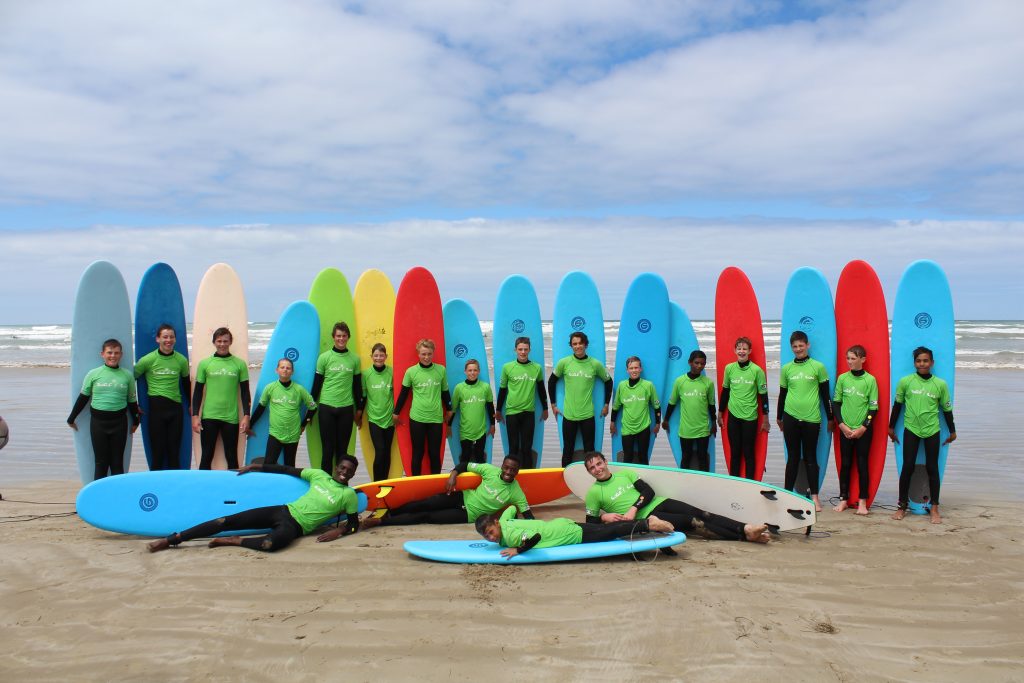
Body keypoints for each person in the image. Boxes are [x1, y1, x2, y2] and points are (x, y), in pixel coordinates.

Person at [147, 456, 361, 552]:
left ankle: (235, 541)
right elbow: (285, 470)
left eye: (349, 471)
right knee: (224, 520)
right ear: (336, 467)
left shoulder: (348, 495)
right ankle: (173, 539)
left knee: (268, 545)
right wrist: (256, 466)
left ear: (352, 474)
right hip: (282, 510)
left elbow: (353, 524)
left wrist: (338, 532)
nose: (344, 473)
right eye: (342, 468)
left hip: (296, 527)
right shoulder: (318, 475)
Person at [582, 451, 771, 543]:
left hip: (659, 502)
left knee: (703, 513)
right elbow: (590, 523)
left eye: (599, 464)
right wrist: (604, 517)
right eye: (592, 468)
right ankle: (746, 537)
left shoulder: (625, 474)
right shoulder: (594, 493)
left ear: (605, 462)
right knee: (694, 522)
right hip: (648, 518)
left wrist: (633, 508)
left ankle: (746, 527)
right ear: (589, 472)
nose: (597, 469)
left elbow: (648, 492)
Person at [360, 456, 534, 528]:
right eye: (507, 467)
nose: (509, 472)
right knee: (425, 503)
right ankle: (390, 511)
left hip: (467, 515)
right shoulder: (489, 470)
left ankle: (382, 522)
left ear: (517, 471)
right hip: (461, 496)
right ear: (502, 465)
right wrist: (453, 474)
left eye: (513, 470)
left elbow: (528, 515)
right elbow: (465, 464)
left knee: (426, 516)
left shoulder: (516, 492)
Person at [888, 346, 956, 524]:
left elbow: (947, 410)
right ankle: (902, 506)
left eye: (925, 360)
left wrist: (953, 430)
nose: (922, 364)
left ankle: (934, 508)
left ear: (932, 363)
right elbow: (897, 406)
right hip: (911, 429)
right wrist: (890, 427)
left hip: (932, 430)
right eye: (919, 361)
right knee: (907, 467)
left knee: (932, 468)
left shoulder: (940, 384)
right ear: (914, 363)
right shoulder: (906, 381)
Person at [475, 504, 674, 559]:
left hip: (567, 535)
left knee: (610, 532)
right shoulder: (503, 520)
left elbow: (533, 538)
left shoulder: (510, 536)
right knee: (606, 529)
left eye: (491, 532)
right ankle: (646, 526)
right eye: (487, 536)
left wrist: (516, 550)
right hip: (560, 523)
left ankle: (648, 524)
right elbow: (511, 508)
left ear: (496, 523)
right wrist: (523, 519)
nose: (491, 538)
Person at [776, 330, 834, 512]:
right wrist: (779, 417)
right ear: (791, 348)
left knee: (810, 458)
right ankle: (786, 495)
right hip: (790, 417)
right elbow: (782, 394)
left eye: (801, 345)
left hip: (812, 419)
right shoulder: (787, 369)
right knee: (792, 458)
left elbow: (826, 396)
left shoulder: (818, 367)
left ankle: (815, 497)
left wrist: (831, 418)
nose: (798, 349)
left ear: (807, 345)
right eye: (795, 346)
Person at [67, 338, 140, 480]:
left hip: (119, 423)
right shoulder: (93, 374)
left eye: (116, 353)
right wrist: (71, 418)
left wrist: (136, 421)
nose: (113, 356)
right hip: (98, 423)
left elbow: (132, 400)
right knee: (101, 463)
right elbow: (83, 398)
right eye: (109, 352)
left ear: (121, 355)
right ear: (102, 354)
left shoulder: (127, 375)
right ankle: (98, 498)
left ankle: (117, 496)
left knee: (117, 463)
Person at [548, 332, 613, 467]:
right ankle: (564, 480)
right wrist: (553, 404)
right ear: (571, 346)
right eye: (574, 344)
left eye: (580, 343)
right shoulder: (564, 363)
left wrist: (606, 404)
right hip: (569, 415)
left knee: (590, 451)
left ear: (585, 344)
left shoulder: (595, 364)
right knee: (567, 450)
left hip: (587, 415)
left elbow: (608, 381)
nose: (577, 346)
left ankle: (589, 479)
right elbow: (551, 381)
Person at [134, 324, 191, 470]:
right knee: (157, 454)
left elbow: (186, 384)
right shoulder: (147, 360)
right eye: (165, 337)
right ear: (158, 339)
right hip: (156, 411)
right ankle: (155, 488)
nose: (169, 340)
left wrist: (191, 405)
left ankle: (174, 488)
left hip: (175, 411)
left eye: (172, 337)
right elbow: (129, 380)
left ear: (175, 339)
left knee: (174, 453)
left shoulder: (181, 360)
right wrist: (134, 404)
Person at [192, 327, 251, 470]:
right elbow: (198, 392)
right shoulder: (205, 364)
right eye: (219, 341)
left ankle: (232, 489)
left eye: (225, 341)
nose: (222, 344)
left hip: (231, 417)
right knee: (206, 456)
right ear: (214, 342)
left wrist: (246, 415)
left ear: (230, 342)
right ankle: (204, 487)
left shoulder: (239, 364)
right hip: (209, 416)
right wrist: (195, 416)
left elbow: (245, 392)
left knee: (231, 457)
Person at [311, 322, 364, 474]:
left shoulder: (354, 359)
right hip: (326, 407)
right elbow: (316, 386)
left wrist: (360, 410)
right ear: (333, 337)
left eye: (344, 336)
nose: (341, 339)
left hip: (346, 409)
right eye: (338, 336)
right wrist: (310, 412)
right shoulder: (324, 358)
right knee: (327, 450)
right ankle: (325, 484)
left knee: (342, 451)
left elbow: (357, 387)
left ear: (348, 337)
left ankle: (341, 484)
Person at [832, 345, 878, 515]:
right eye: (848, 358)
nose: (849, 361)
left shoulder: (870, 380)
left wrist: (864, 427)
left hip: (863, 431)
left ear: (862, 359)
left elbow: (873, 409)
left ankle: (862, 503)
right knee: (845, 464)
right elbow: (836, 404)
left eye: (853, 358)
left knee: (862, 464)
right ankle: (844, 499)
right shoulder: (843, 379)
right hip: (845, 429)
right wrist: (842, 425)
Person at [393, 339, 451, 476]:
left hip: (436, 418)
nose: (426, 357)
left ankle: (435, 484)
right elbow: (403, 393)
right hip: (417, 418)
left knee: (434, 453)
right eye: (423, 354)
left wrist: (449, 409)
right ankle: (415, 483)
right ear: (418, 353)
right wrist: (396, 413)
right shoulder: (411, 372)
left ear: (433, 353)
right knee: (418, 452)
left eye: (429, 354)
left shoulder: (441, 370)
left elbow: (445, 392)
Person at [247, 358, 317, 468]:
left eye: (288, 368)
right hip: (275, 434)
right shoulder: (270, 388)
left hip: (293, 434)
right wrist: (250, 424)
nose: (285, 370)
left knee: (289, 466)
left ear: (292, 372)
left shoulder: (299, 389)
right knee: (268, 465)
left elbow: (313, 407)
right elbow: (261, 408)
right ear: (277, 370)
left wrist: (304, 424)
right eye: (282, 367)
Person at [718, 337, 769, 480]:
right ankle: (735, 483)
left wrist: (765, 419)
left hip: (750, 417)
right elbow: (725, 392)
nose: (741, 351)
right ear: (735, 350)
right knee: (735, 452)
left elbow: (763, 396)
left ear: (749, 351)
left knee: (748, 452)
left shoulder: (757, 371)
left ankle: (750, 484)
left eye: (744, 349)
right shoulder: (729, 369)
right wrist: (720, 413)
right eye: (739, 348)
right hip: (733, 416)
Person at [495, 336, 548, 468]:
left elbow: (541, 390)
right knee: (513, 447)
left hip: (528, 413)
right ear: (515, 350)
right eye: (520, 349)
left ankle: (528, 475)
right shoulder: (507, 368)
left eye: (525, 349)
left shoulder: (536, 368)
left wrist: (546, 408)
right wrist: (498, 410)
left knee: (526, 447)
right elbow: (502, 391)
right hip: (512, 412)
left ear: (529, 350)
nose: (523, 352)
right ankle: (511, 474)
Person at [661, 350, 716, 471]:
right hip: (686, 429)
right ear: (690, 362)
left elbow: (711, 405)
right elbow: (672, 403)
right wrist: (666, 420)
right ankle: (683, 483)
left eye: (702, 364)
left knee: (703, 457)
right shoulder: (680, 381)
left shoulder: (708, 383)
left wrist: (714, 422)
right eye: (696, 363)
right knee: (686, 457)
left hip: (703, 429)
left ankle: (704, 483)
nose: (699, 366)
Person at [609, 356, 660, 465]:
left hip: (644, 426)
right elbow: (616, 407)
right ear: (627, 370)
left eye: (636, 368)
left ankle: (644, 480)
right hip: (627, 427)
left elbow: (656, 406)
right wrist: (612, 423)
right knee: (628, 457)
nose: (634, 370)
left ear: (640, 369)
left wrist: (658, 423)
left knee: (643, 456)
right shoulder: (622, 386)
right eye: (631, 368)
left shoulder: (648, 385)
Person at [447, 359, 495, 465]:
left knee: (480, 457)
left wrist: (492, 425)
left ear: (479, 371)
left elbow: (490, 408)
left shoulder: (485, 387)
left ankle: (481, 480)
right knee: (465, 457)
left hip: (481, 431)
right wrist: (448, 426)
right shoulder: (459, 388)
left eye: (475, 370)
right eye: (470, 370)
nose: (472, 373)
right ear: (465, 372)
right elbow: (453, 410)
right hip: (465, 431)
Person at [362, 343, 395, 481]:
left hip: (390, 419)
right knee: (380, 451)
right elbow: (363, 397)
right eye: (376, 355)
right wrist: (358, 414)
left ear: (386, 356)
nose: (379, 358)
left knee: (387, 453)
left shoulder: (392, 372)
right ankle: (376, 482)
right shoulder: (366, 374)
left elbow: (398, 394)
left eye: (381, 355)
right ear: (371, 357)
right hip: (374, 419)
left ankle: (385, 482)